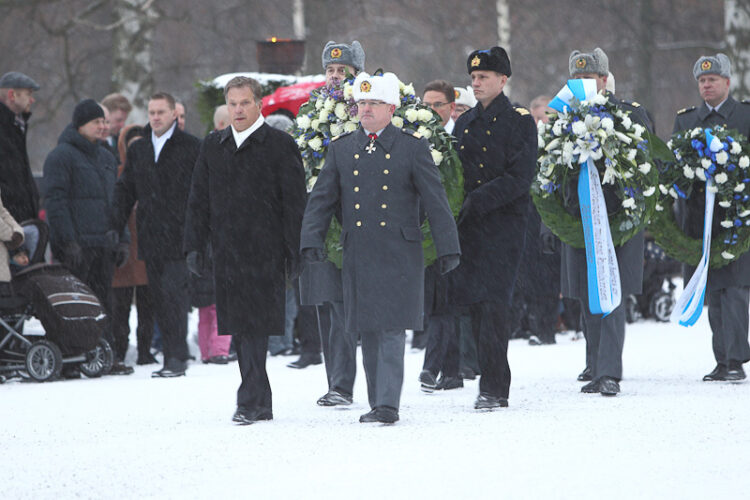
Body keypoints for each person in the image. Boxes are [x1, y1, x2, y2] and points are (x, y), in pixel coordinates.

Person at [300, 71, 460, 424]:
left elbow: (435, 201)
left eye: (373, 103)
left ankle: (387, 404)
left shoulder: (412, 146)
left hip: (399, 251)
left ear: (391, 108)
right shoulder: (342, 149)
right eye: (361, 103)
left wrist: (448, 247)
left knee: (390, 327)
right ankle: (379, 402)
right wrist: (311, 239)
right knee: (368, 327)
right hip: (358, 250)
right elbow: (321, 200)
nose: (366, 109)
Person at [184, 76, 306, 425]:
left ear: (259, 103)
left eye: (245, 103)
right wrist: (194, 244)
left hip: (265, 251)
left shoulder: (280, 145)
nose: (238, 109)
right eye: (233, 103)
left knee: (254, 327)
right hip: (227, 251)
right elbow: (198, 200)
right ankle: (258, 399)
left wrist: (294, 251)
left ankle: (248, 399)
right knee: (242, 327)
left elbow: (294, 203)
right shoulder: (213, 146)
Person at [450, 47, 537, 410]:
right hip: (469, 226)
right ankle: (481, 374)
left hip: (503, 225)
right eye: (474, 77)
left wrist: (479, 200)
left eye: (484, 77)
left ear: (503, 80)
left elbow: (519, 177)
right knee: (473, 304)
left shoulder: (519, 120)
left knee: (495, 305)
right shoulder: (465, 121)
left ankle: (495, 386)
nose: (477, 82)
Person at [562, 48, 651, 395]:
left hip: (617, 218)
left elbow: (644, 165)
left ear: (603, 79)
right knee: (588, 295)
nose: (583, 83)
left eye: (589, 77)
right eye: (577, 78)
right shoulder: (563, 117)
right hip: (578, 218)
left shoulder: (630, 114)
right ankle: (596, 362)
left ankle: (609, 370)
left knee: (610, 293)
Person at [112, 92, 201, 378]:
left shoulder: (190, 147)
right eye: (151, 112)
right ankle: (171, 357)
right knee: (159, 297)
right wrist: (114, 223)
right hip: (151, 235)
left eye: (161, 112)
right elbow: (126, 189)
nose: (155, 117)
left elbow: (201, 192)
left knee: (176, 295)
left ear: (174, 113)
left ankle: (177, 357)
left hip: (179, 236)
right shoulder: (139, 150)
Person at [673, 53, 750, 381]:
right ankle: (722, 360)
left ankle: (735, 360)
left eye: (712, 80)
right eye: (702, 81)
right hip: (700, 220)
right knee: (714, 290)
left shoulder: (745, 115)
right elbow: (676, 166)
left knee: (734, 288)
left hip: (738, 217)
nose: (706, 85)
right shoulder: (687, 121)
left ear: (727, 83)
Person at [43, 98, 133, 377]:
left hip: (104, 244)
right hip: (78, 246)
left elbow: (116, 203)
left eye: (104, 122)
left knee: (105, 303)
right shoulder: (61, 156)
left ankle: (104, 355)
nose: (103, 127)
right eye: (97, 122)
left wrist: (122, 238)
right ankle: (71, 358)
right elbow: (56, 202)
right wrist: (67, 241)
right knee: (74, 305)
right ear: (81, 125)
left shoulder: (106, 157)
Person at [298, 40, 366, 406]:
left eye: (342, 71)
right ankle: (337, 383)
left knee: (351, 306)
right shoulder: (314, 112)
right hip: (324, 219)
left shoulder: (368, 109)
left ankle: (350, 382)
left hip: (360, 218)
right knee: (328, 302)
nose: (335, 76)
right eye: (330, 71)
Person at [418, 79, 463, 392]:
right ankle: (450, 370)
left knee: (446, 303)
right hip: (425, 231)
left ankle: (434, 366)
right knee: (436, 303)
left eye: (437, 105)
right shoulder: (417, 139)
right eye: (426, 105)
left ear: (451, 108)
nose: (431, 111)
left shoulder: (460, 139)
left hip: (459, 230)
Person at [109, 125, 158, 365]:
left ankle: (145, 350)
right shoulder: (116, 174)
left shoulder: (153, 174)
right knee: (121, 307)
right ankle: (119, 350)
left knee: (148, 306)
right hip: (125, 250)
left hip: (148, 248)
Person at [0, 71, 40, 223]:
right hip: (9, 225)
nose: (32, 99)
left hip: (19, 222)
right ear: (12, 95)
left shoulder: (17, 127)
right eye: (28, 94)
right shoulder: (7, 129)